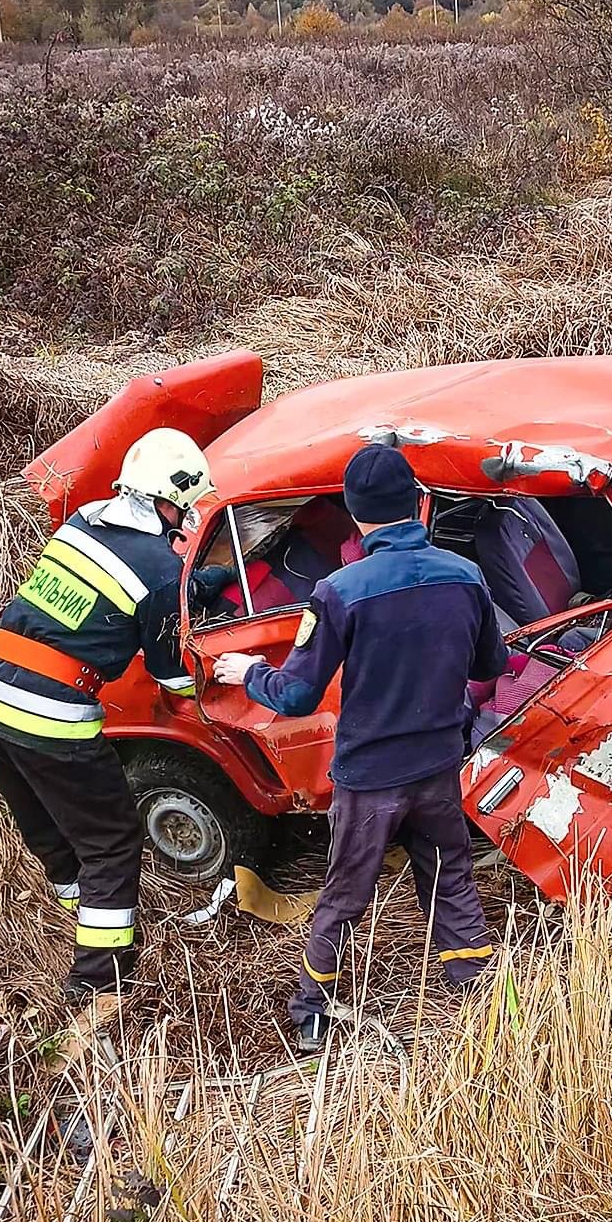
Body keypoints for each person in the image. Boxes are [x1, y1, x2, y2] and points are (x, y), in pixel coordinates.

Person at [214, 445, 509, 1053]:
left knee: (348, 889)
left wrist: (246, 672)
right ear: (417, 505)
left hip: (370, 776)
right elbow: (491, 665)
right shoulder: (465, 576)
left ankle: (311, 1011)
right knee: (450, 874)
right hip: (436, 766)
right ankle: (477, 989)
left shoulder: (339, 591)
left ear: (355, 513)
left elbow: (295, 696)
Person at [0, 428, 221, 1004]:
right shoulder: (159, 568)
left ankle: (77, 904)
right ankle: (98, 980)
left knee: (44, 818)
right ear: (168, 500)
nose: (184, 517)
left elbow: (104, 593)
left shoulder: (82, 523)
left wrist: (193, 585)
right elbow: (171, 674)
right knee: (113, 839)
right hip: (50, 714)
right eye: (183, 507)